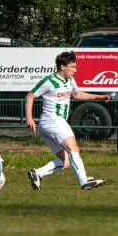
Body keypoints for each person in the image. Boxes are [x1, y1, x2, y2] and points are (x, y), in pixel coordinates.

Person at [25, 50, 107, 191]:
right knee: (73, 148)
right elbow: (30, 96)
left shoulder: (70, 80)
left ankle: (38, 173)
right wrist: (29, 118)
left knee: (67, 161)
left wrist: (98, 97)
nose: (75, 70)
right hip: (52, 119)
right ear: (63, 67)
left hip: (49, 124)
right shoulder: (49, 81)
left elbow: (77, 94)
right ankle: (84, 181)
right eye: (73, 67)